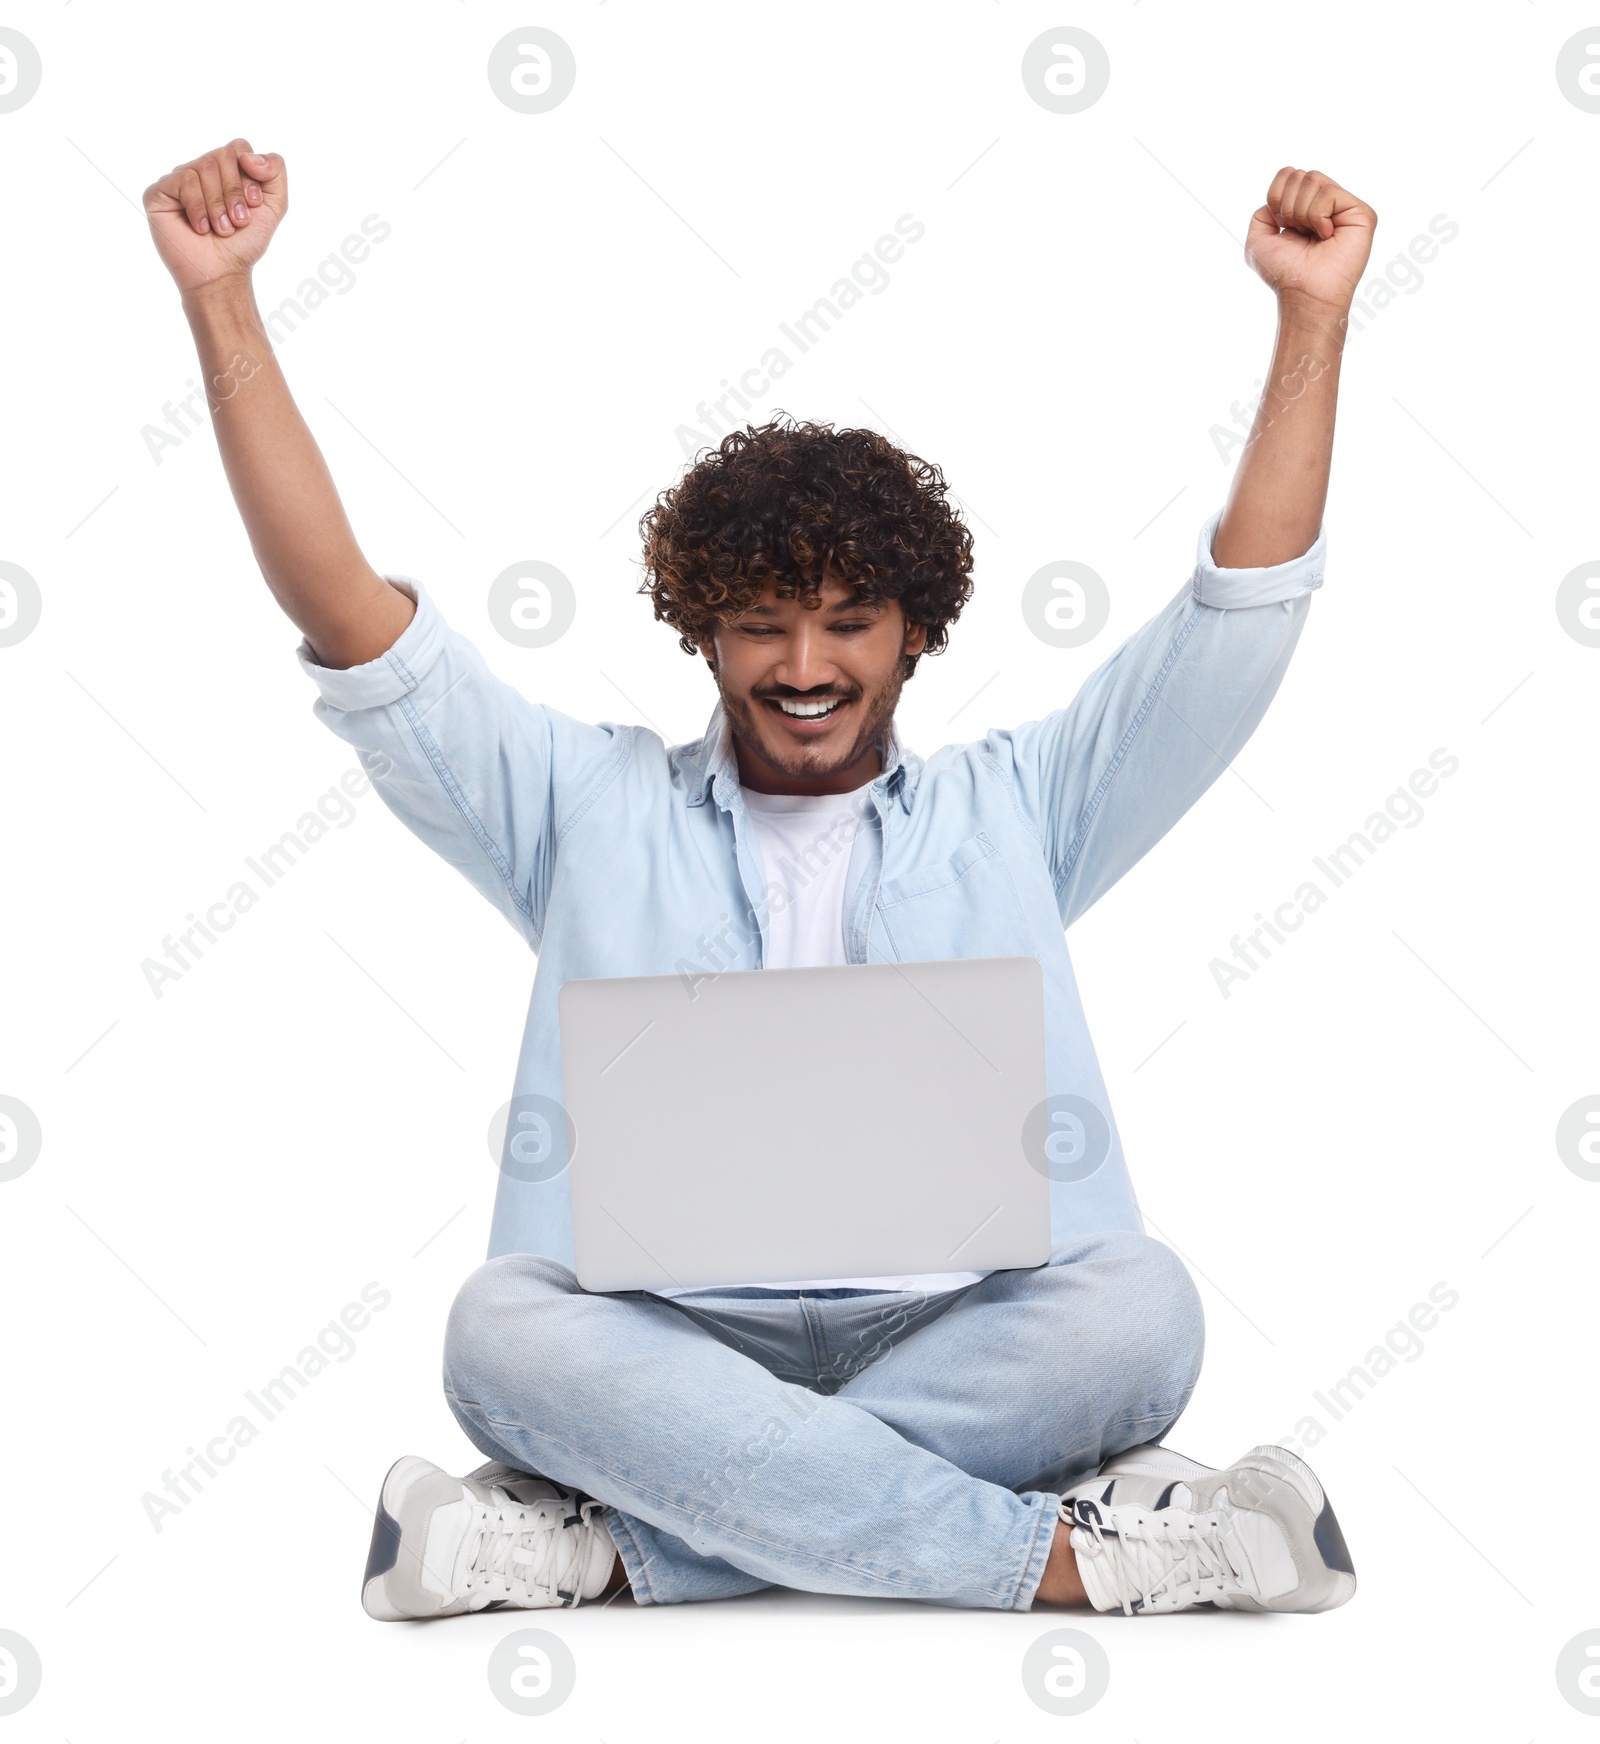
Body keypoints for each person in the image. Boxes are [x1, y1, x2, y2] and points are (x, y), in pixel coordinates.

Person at [144, 141, 1376, 1619]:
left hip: (963, 1328)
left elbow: (1236, 623)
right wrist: (221, 299)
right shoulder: (582, 808)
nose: (805, 670)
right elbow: (349, 616)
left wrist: (1312, 317)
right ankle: (1071, 1555)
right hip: (664, 1342)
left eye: (850, 622)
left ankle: (607, 1544)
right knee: (499, 1334)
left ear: (915, 632)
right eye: (760, 628)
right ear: (703, 637)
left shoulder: (1022, 806)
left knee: (1142, 1309)